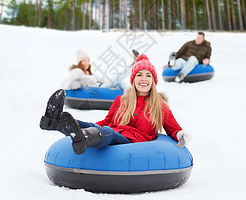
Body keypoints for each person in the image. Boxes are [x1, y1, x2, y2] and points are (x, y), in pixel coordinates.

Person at [40, 54, 191, 155]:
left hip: (134, 141)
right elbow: (107, 122)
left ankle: (84, 137)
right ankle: (55, 122)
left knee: (107, 132)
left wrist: (180, 134)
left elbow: (173, 128)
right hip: (112, 130)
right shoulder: (121, 100)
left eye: (148, 76)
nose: (143, 79)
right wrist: (88, 125)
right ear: (133, 80)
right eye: (139, 75)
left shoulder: (160, 106)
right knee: (100, 127)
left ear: (153, 81)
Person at [61, 50, 139, 90]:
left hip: (100, 89)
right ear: (79, 63)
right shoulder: (77, 71)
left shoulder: (89, 73)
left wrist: (112, 83)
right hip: (96, 91)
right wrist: (71, 86)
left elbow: (102, 80)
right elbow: (64, 82)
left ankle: (132, 92)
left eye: (88, 61)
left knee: (118, 81)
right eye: (84, 61)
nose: (87, 63)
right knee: (117, 78)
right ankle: (133, 65)